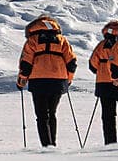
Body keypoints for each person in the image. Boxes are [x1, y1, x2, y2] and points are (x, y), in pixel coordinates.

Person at [16, 16, 78, 147]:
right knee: (52, 113)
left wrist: (21, 81)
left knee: (42, 115)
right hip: (59, 80)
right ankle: (52, 144)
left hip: (38, 81)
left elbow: (26, 64)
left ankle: (46, 145)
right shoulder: (62, 40)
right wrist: (68, 80)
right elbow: (72, 62)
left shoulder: (32, 40)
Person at [87, 19, 118, 145]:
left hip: (104, 84)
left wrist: (102, 70)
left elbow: (92, 65)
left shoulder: (102, 45)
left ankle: (110, 143)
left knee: (108, 117)